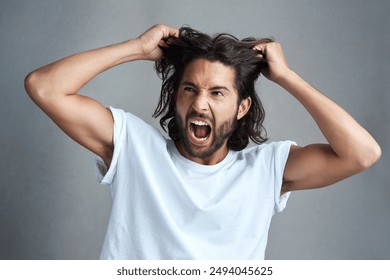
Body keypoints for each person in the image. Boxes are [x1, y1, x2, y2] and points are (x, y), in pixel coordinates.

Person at [24, 24, 381, 259]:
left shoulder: (265, 170)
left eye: (217, 92)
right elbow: (44, 87)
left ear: (242, 107)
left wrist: (286, 77)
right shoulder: (134, 147)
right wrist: (135, 48)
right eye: (190, 89)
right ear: (176, 96)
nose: (199, 103)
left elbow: (362, 153)